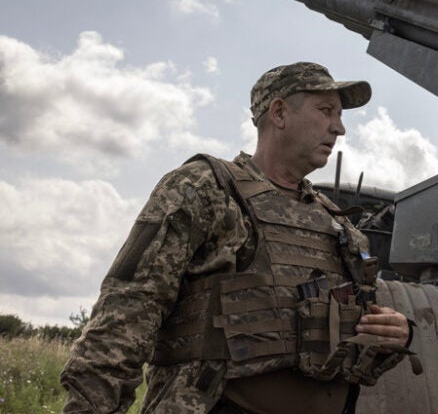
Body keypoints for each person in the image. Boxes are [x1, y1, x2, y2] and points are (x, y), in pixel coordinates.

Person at [61, 62, 413, 414]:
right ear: (279, 113)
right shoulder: (204, 188)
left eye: (339, 115)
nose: (339, 127)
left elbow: (352, 345)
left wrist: (394, 335)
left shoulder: (339, 225)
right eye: (326, 111)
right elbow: (125, 316)